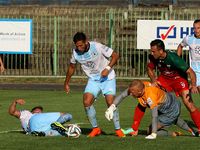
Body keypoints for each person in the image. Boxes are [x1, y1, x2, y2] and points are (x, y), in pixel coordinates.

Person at [64, 32, 125, 137]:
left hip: (107, 77)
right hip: (93, 79)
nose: (79, 48)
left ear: (86, 41)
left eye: (81, 45)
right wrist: (66, 83)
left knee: (111, 103)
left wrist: (107, 68)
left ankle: (118, 130)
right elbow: (71, 67)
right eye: (77, 46)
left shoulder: (97, 46)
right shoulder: (75, 53)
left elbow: (116, 55)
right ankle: (96, 128)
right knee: (86, 101)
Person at [105, 79, 196, 139]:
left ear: (140, 92)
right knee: (173, 118)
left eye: (133, 93)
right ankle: (193, 131)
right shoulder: (138, 86)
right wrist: (112, 107)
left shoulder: (150, 97)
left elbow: (154, 116)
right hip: (171, 103)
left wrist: (153, 133)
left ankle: (173, 133)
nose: (131, 94)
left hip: (170, 109)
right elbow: (122, 95)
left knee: (150, 130)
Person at [144, 39, 200, 133]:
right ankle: (163, 120)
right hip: (165, 79)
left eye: (153, 51)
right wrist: (154, 81)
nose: (152, 53)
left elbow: (191, 72)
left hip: (179, 79)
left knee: (188, 102)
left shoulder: (173, 58)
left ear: (161, 51)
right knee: (151, 94)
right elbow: (149, 68)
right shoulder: (153, 57)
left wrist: (193, 85)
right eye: (151, 51)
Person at [177, 19, 200, 92]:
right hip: (195, 70)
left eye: (198, 28)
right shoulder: (189, 38)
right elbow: (180, 46)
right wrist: (178, 60)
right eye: (194, 28)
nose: (196, 30)